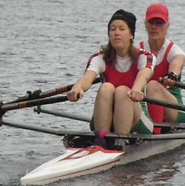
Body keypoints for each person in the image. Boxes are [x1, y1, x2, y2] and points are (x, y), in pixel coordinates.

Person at [67, 9, 156, 149]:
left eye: (122, 29)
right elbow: (87, 78)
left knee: (122, 91)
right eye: (112, 29)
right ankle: (101, 139)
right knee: (106, 87)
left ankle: (120, 141)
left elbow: (144, 75)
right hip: (104, 119)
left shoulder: (145, 57)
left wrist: (137, 89)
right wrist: (77, 88)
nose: (116, 33)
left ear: (131, 35)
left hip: (138, 121)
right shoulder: (99, 58)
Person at [139, 4, 185, 134]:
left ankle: (155, 135)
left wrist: (172, 75)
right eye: (151, 22)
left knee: (153, 86)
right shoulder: (138, 50)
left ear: (167, 26)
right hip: (146, 106)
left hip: (174, 109)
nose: (154, 27)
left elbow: (178, 62)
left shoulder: (174, 51)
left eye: (159, 23)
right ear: (145, 24)